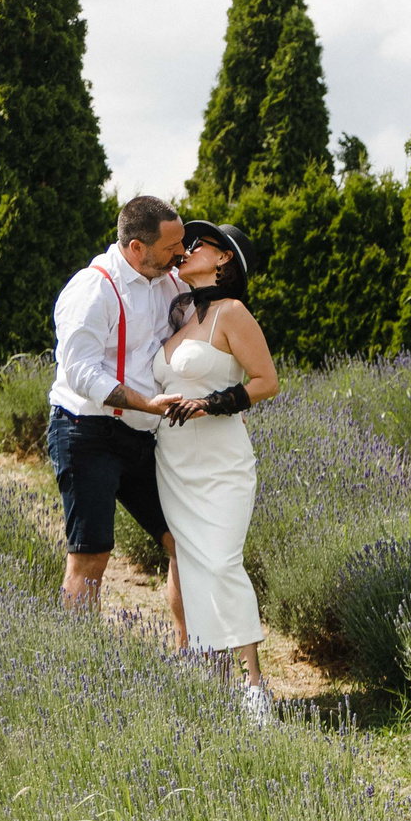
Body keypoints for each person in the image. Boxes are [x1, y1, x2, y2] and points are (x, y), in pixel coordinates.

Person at [47, 196, 193, 636]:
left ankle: (193, 658)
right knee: (91, 556)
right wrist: (145, 404)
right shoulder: (92, 289)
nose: (180, 254)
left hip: (142, 436)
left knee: (184, 544)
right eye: (171, 247)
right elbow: (81, 371)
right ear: (136, 248)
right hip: (85, 432)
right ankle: (73, 665)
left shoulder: (170, 280)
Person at [153, 218, 278, 720]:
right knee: (190, 564)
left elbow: (267, 381)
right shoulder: (179, 318)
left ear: (223, 258)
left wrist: (210, 403)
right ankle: (208, 677)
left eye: (196, 245)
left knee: (223, 562)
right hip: (174, 464)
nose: (184, 251)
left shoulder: (232, 312)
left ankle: (254, 687)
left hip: (222, 465)